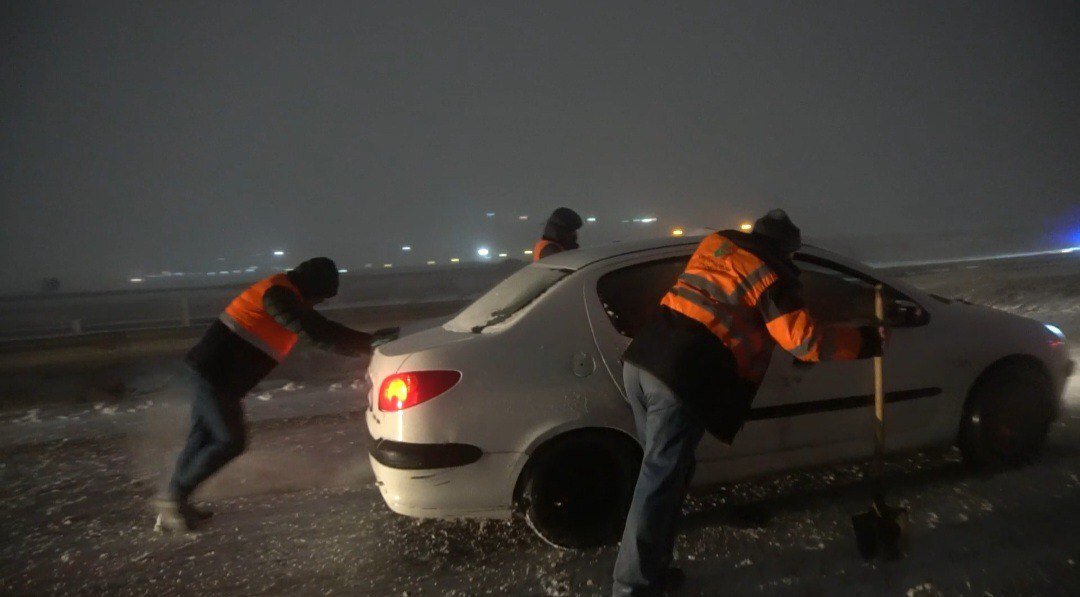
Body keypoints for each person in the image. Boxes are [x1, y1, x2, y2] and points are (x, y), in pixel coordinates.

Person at [611, 209, 887, 595]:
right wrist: (865, 341)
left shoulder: (716, 248)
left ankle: (652, 569)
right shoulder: (771, 274)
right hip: (681, 378)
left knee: (666, 476)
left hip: (644, 361)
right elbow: (805, 341)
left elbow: (730, 304)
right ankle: (631, 587)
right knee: (658, 481)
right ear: (785, 250)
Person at [154, 257, 396, 532]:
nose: (317, 304)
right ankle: (173, 500)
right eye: (318, 298)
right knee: (229, 441)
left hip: (214, 374)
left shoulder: (283, 292)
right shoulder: (278, 295)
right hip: (215, 375)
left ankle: (175, 500)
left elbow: (311, 325)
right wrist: (367, 342)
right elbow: (313, 329)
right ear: (310, 287)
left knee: (203, 438)